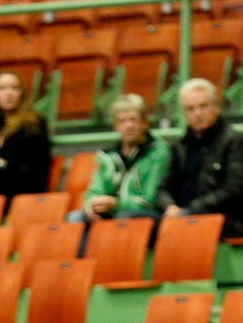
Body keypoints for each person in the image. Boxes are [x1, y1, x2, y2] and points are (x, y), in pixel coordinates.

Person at [156, 79, 243, 239]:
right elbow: (163, 187)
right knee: (135, 221)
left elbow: (236, 190)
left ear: (216, 107)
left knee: (183, 224)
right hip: (182, 215)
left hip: (228, 219)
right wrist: (169, 207)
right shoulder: (180, 146)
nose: (197, 113)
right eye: (190, 109)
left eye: (203, 106)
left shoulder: (234, 143)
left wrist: (192, 208)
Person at [72, 93, 170, 225]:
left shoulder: (158, 152)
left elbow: (150, 199)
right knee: (75, 218)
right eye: (122, 121)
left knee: (122, 218)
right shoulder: (108, 156)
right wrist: (90, 205)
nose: (128, 126)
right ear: (115, 126)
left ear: (145, 123)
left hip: (147, 214)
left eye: (133, 120)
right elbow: (95, 190)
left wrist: (116, 204)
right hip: (114, 211)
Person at [0, 71, 52, 200]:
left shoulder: (34, 123)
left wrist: (1, 164)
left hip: (22, 189)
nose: (8, 93)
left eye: (15, 88)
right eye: (2, 88)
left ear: (22, 94)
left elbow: (37, 169)